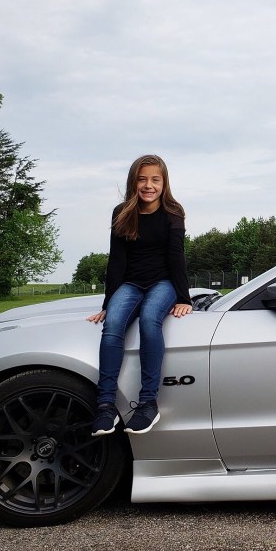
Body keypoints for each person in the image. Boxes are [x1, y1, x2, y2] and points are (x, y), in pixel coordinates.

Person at [87, 154, 192, 436]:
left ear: (163, 182)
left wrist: (184, 298)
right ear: (134, 181)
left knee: (149, 319)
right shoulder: (122, 212)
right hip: (131, 283)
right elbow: (116, 260)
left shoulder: (173, 211)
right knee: (112, 326)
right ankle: (106, 406)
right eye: (142, 179)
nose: (149, 185)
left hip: (164, 283)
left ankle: (148, 403)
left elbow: (176, 257)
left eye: (155, 180)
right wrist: (108, 303)